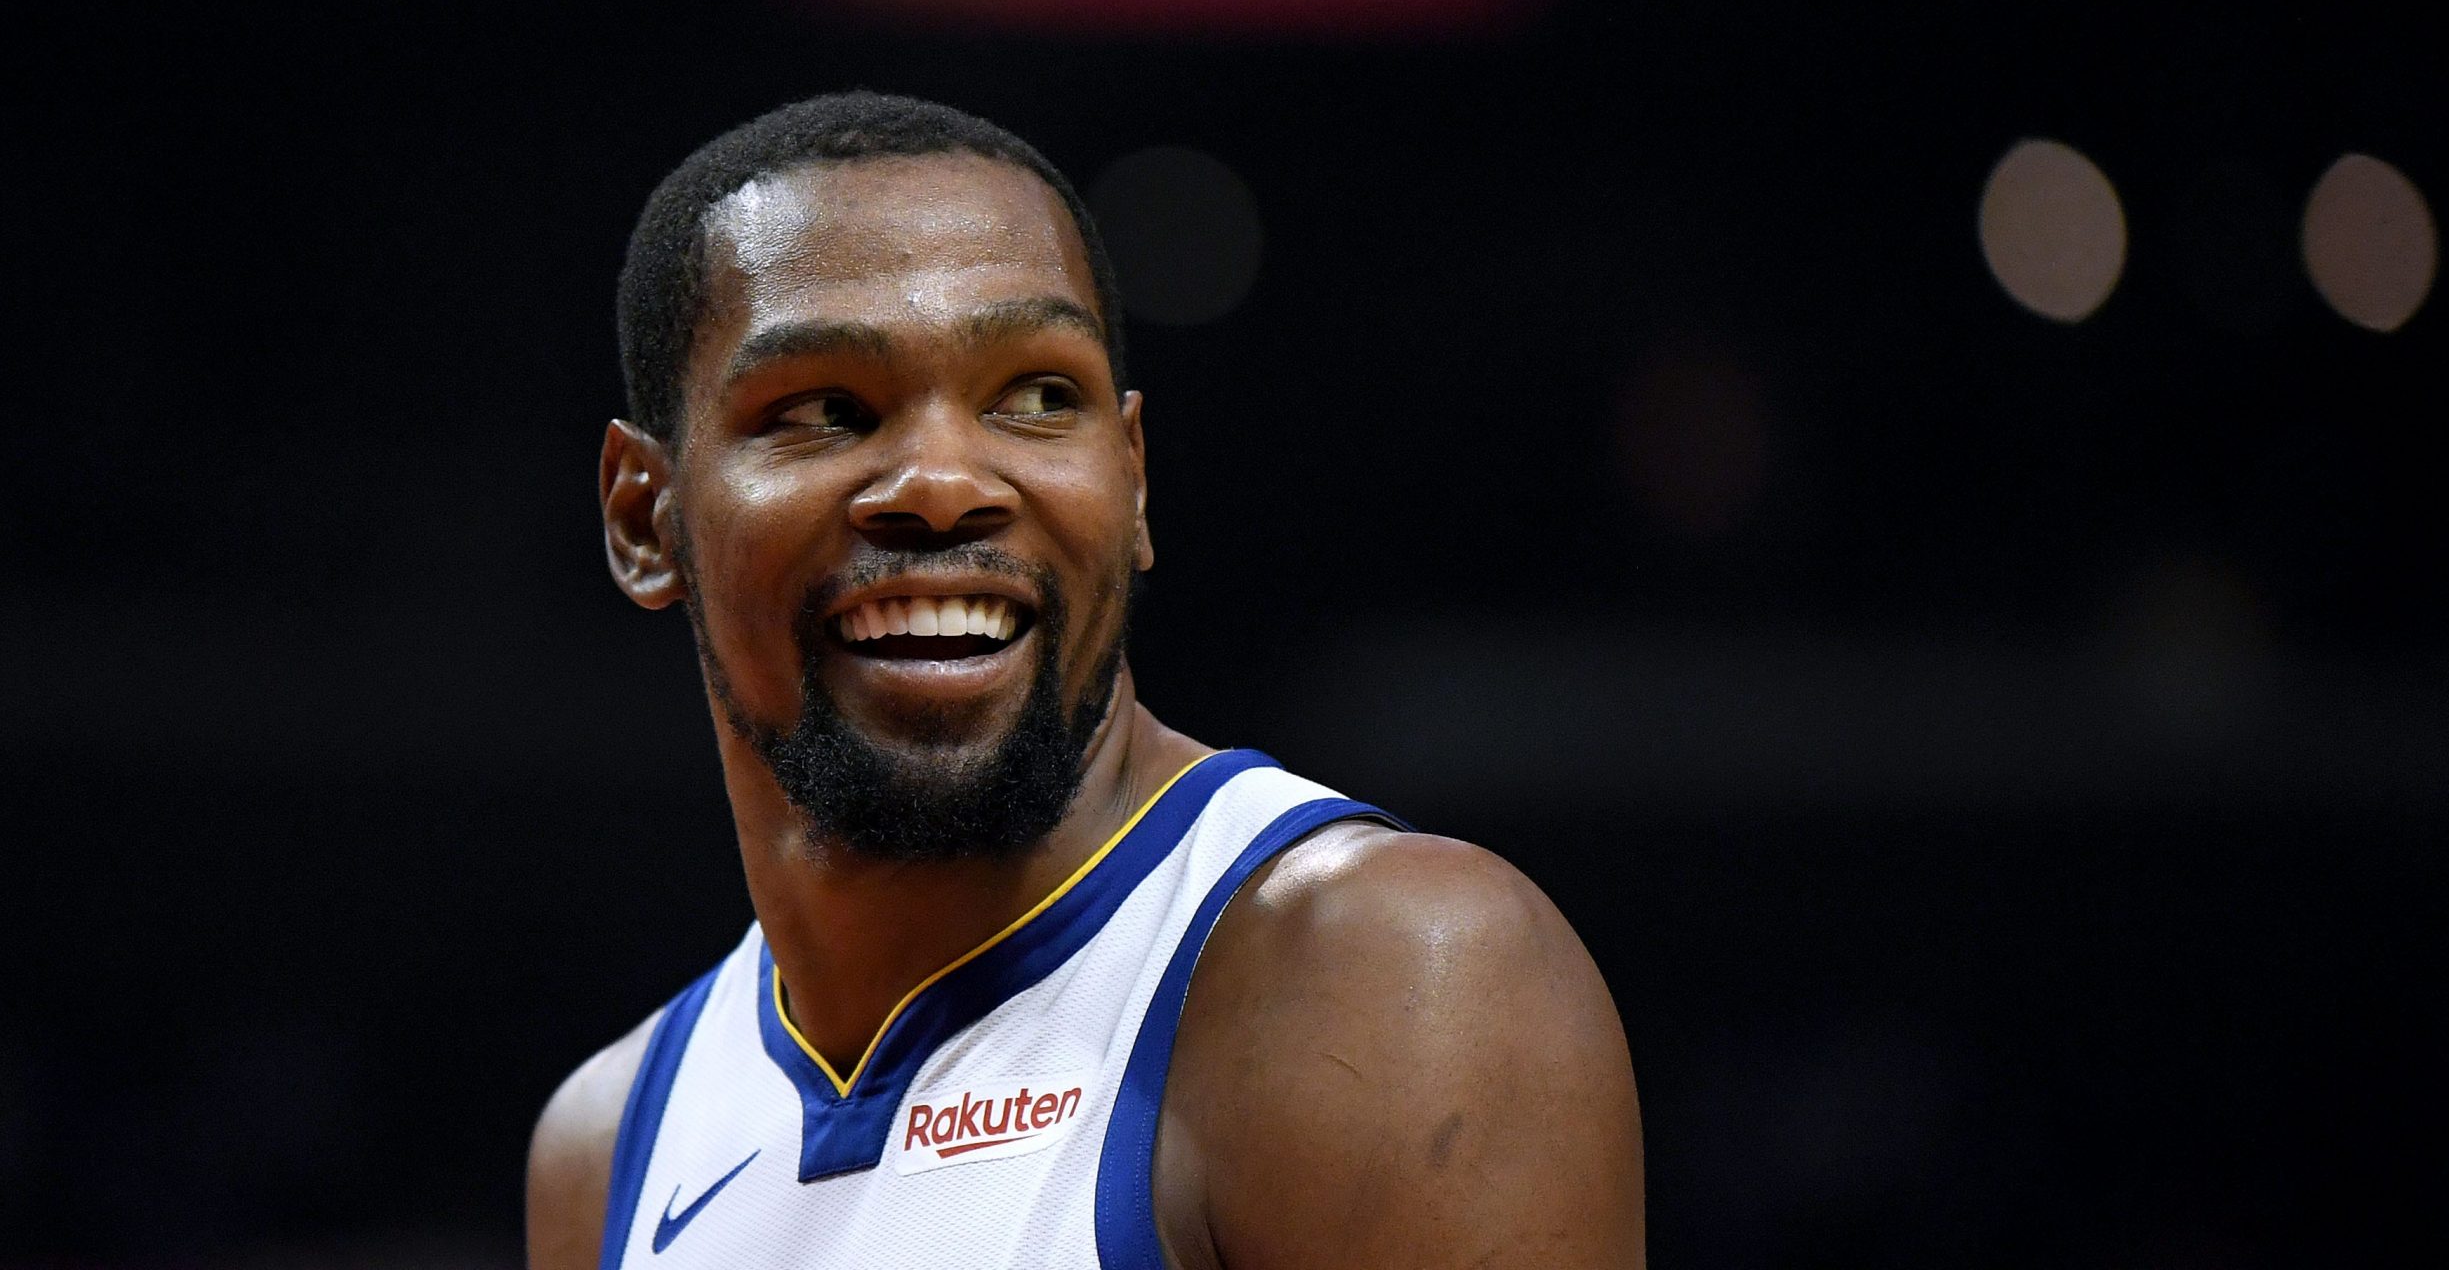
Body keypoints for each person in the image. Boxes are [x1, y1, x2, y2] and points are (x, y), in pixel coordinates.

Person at [525, 91, 1644, 1269]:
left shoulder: (1385, 978)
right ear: (644, 518)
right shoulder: (607, 1145)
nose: (945, 481)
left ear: (1134, 475)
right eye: (823, 410)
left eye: (1037, 397)